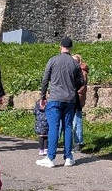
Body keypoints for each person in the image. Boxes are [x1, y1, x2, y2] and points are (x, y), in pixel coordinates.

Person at [36, 36, 84, 168]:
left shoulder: (53, 60)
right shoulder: (75, 63)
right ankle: (68, 157)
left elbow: (45, 80)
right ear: (71, 48)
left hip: (54, 98)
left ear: (60, 46)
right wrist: (72, 87)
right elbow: (81, 82)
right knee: (68, 127)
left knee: (54, 127)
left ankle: (50, 158)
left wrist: (43, 97)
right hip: (69, 99)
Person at [71, 53, 89, 151]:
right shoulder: (74, 69)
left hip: (78, 98)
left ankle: (78, 142)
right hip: (72, 97)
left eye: (75, 60)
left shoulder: (82, 71)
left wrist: (74, 92)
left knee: (77, 120)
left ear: (79, 61)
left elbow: (83, 85)